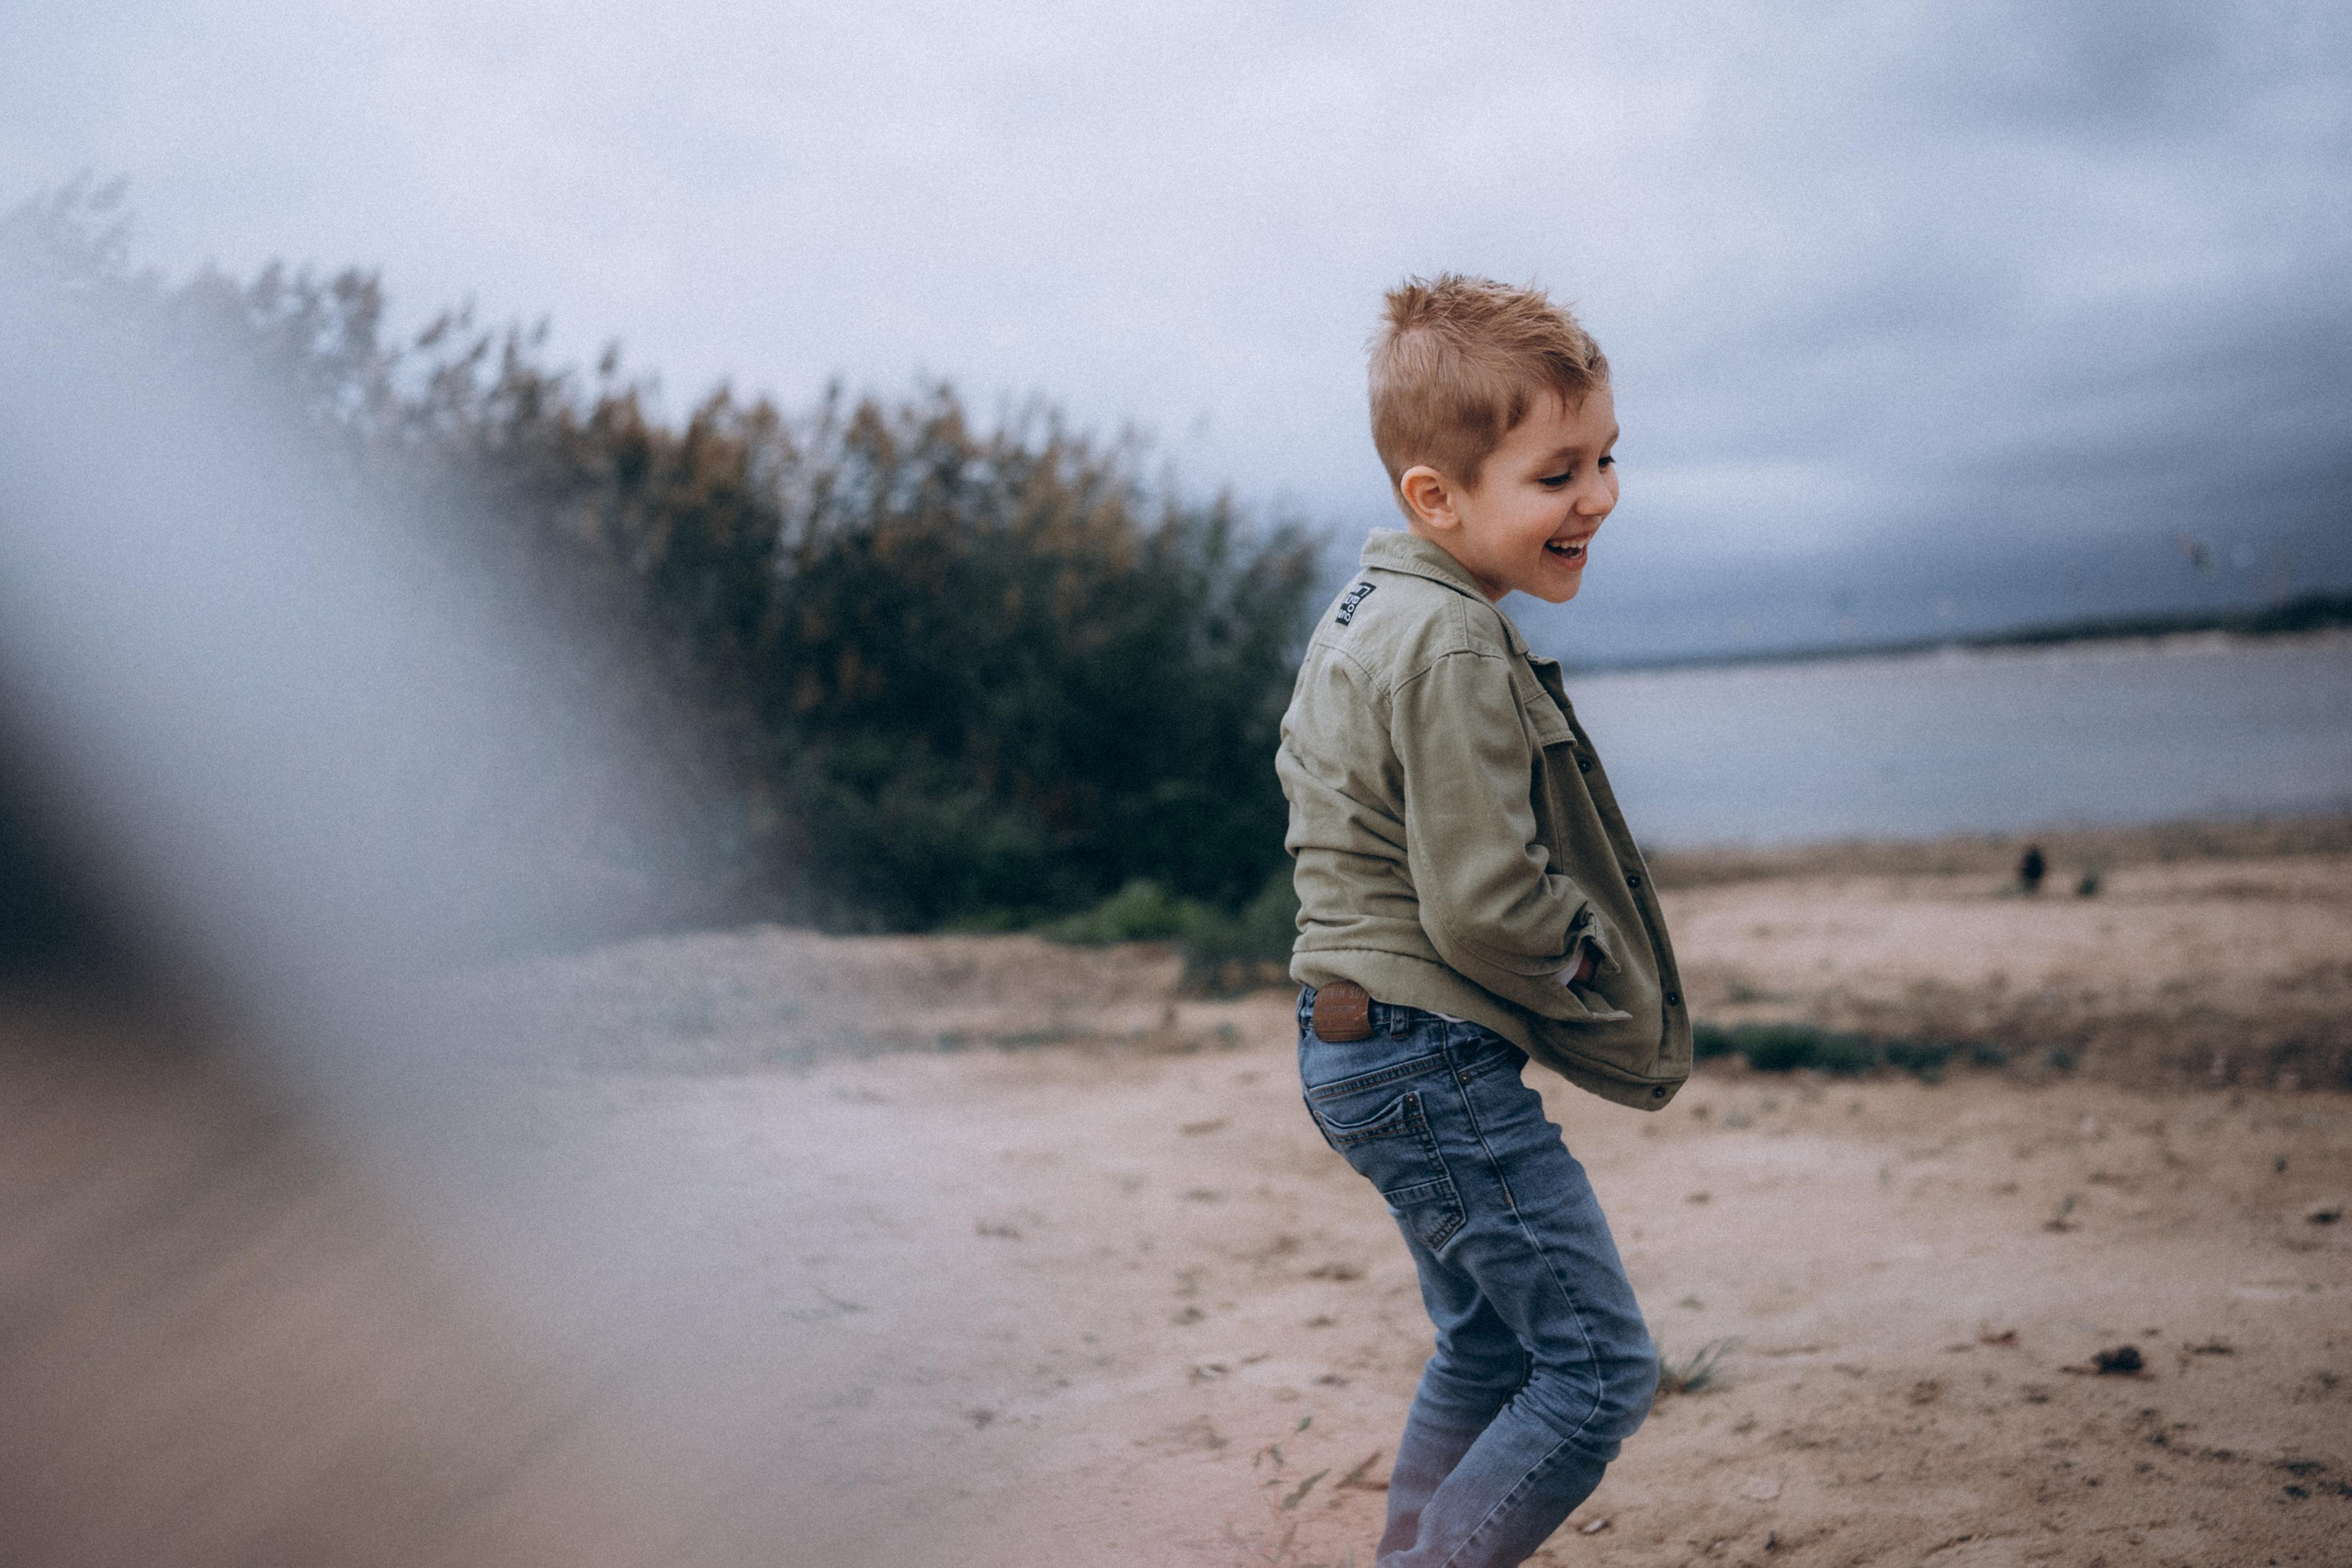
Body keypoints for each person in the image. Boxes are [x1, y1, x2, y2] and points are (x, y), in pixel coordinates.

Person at [1276, 275, 1691, 1567]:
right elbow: (1483, 903)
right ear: (1437, 498)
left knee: (1491, 1343)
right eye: (1558, 473)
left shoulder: (1365, 612)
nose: (1601, 497)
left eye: (1606, 459)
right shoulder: (1451, 644)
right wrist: (1587, 958)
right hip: (1423, 1055)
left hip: (1359, 1046)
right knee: (1598, 1371)